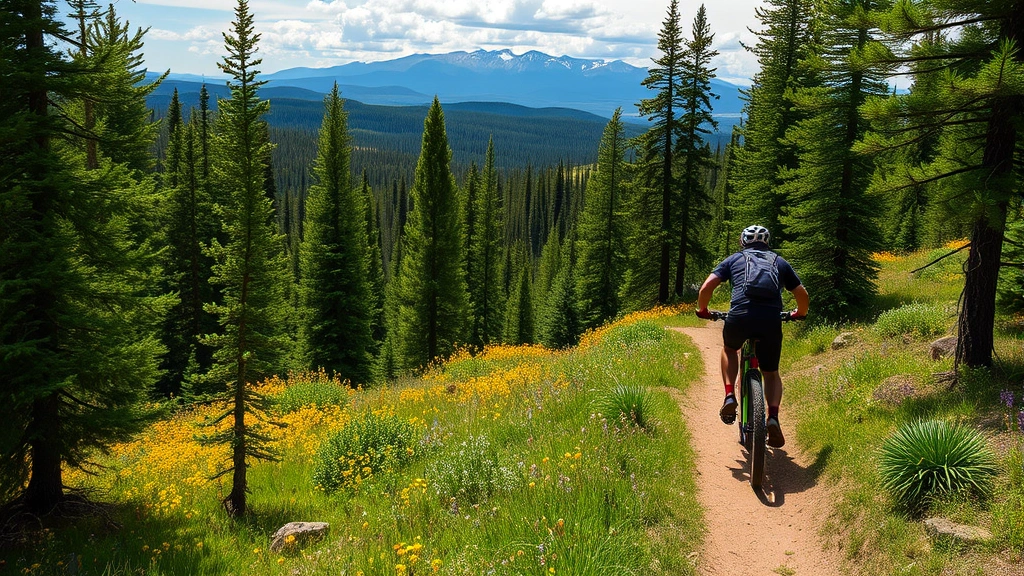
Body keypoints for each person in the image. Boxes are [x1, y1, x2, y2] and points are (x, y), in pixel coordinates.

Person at [695, 225, 808, 448]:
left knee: (729, 349)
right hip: (770, 320)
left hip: (740, 317)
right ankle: (773, 416)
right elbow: (802, 294)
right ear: (767, 242)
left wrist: (703, 310)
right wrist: (799, 314)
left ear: (743, 242)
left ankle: (729, 396)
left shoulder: (733, 259)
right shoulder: (779, 262)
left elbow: (707, 286)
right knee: (771, 372)